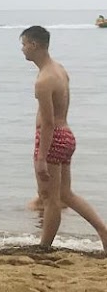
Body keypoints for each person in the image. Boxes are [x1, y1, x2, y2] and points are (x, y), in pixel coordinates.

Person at [20, 25, 107, 254]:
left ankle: (44, 246)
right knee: (65, 194)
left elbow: (48, 122)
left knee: (49, 198)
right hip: (67, 135)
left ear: (34, 45)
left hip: (53, 137)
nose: (22, 49)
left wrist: (41, 157)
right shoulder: (60, 70)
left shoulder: (43, 80)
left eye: (24, 44)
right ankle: (103, 230)